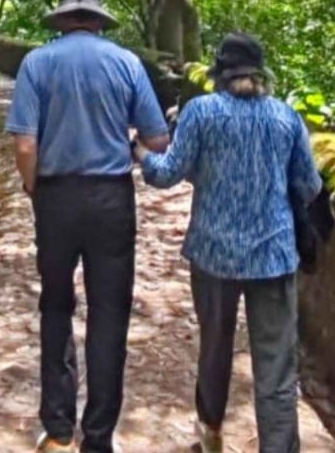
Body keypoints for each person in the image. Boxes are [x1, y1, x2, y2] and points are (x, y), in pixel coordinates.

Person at [134, 32, 322, 453]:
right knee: (276, 367)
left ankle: (211, 434)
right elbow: (308, 185)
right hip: (273, 256)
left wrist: (140, 153)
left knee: (214, 347)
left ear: (220, 74)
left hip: (213, 253)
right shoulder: (285, 117)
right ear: (262, 75)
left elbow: (166, 174)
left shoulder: (201, 112)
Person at [6, 0, 171, 453]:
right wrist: (128, 143)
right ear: (99, 21)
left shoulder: (36, 63)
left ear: (62, 20)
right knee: (109, 314)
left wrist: (36, 186)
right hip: (110, 199)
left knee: (56, 306)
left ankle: (58, 430)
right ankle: (98, 437)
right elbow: (157, 139)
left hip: (56, 198)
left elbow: (23, 144)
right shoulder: (126, 63)